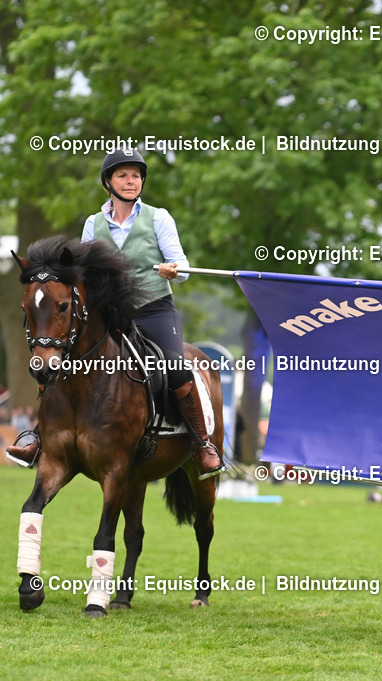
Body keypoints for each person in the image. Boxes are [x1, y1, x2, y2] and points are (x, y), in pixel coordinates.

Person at [6, 149, 223, 480]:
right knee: (67, 359)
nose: (131, 181)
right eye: (123, 175)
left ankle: (202, 444)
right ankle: (38, 437)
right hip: (109, 313)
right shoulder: (94, 223)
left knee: (175, 367)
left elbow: (184, 267)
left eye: (136, 175)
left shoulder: (159, 217)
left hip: (154, 309)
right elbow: (80, 273)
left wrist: (173, 270)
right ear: (109, 182)